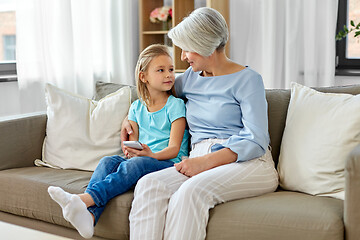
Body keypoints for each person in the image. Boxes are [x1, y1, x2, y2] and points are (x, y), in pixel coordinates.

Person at [122, 7, 279, 240]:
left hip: (249, 161)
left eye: (187, 49)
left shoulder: (248, 80)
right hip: (198, 158)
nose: (183, 57)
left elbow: (256, 139)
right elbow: (153, 93)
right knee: (148, 185)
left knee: (191, 193)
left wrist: (205, 162)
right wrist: (128, 117)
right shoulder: (189, 79)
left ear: (204, 44)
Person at [47, 44, 189, 239]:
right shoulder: (136, 107)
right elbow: (133, 146)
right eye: (161, 70)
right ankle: (89, 216)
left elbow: (174, 149)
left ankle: (83, 199)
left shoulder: (175, 105)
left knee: (137, 163)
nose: (169, 75)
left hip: (168, 163)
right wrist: (133, 151)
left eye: (171, 69)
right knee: (108, 161)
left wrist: (151, 155)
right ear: (143, 76)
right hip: (142, 162)